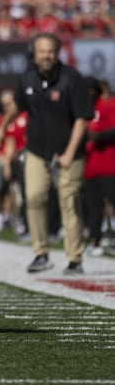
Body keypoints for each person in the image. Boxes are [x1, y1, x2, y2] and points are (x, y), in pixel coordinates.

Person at [0, 33, 94, 275]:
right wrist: (3, 125)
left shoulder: (72, 79)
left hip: (69, 150)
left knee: (68, 202)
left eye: (50, 51)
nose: (46, 56)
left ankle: (75, 258)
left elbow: (82, 119)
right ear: (34, 53)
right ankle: (41, 253)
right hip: (37, 149)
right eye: (42, 51)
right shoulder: (27, 77)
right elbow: (18, 104)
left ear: (57, 53)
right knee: (35, 197)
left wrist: (69, 152)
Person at [83, 78, 115, 256]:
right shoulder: (81, 110)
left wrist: (98, 136)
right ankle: (94, 238)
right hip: (89, 167)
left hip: (109, 164)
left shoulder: (109, 105)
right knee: (93, 206)